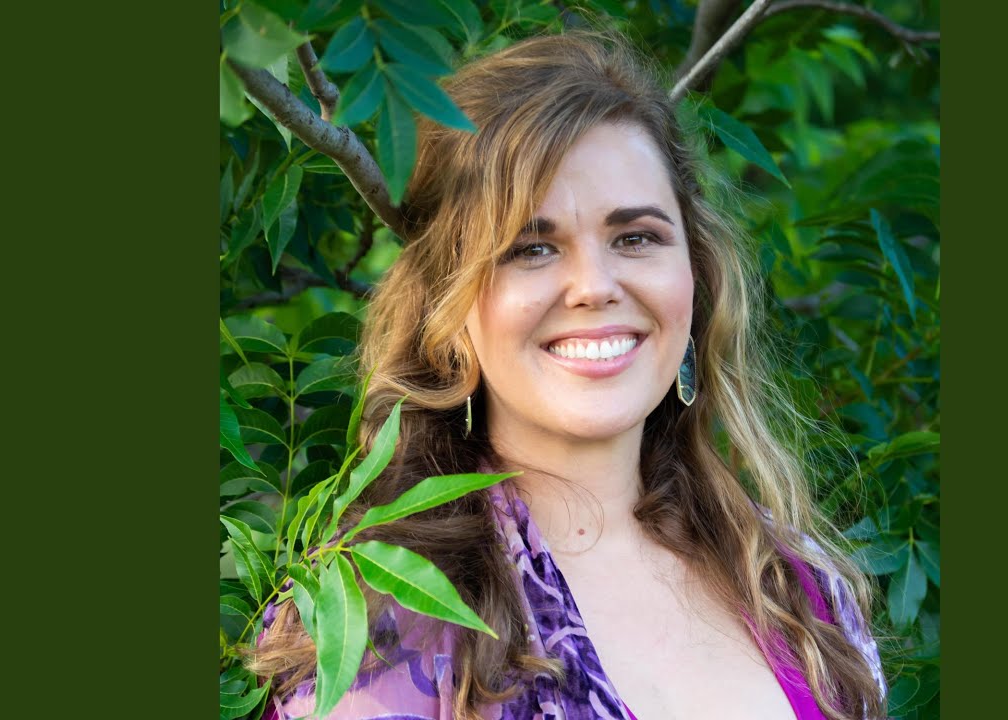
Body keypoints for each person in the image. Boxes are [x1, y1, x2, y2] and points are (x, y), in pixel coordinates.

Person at [251, 31, 888, 720]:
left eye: (635, 238)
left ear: (696, 274)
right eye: (531, 248)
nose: (594, 286)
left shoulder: (797, 588)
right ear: (447, 305)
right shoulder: (375, 627)